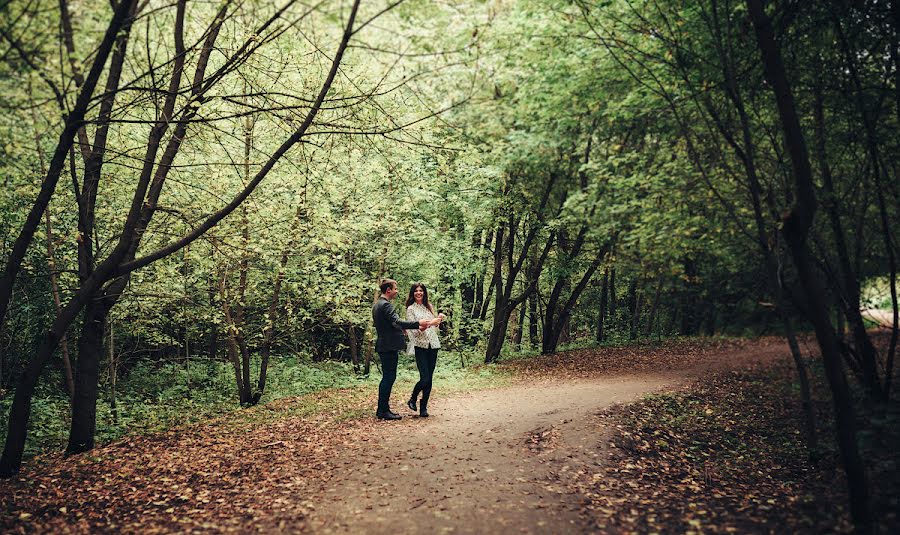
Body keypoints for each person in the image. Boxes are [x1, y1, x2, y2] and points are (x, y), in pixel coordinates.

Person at [372, 278, 437, 420]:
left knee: (388, 377)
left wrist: (399, 329)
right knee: (388, 378)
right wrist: (416, 324)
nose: (396, 291)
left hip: (385, 344)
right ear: (388, 290)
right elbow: (397, 321)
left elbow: (389, 324)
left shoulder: (378, 305)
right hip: (388, 346)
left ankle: (383, 409)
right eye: (395, 289)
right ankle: (383, 410)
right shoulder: (386, 305)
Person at [404, 282, 444, 417]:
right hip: (420, 346)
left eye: (421, 290)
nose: (419, 293)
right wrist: (432, 322)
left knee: (430, 379)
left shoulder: (429, 307)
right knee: (425, 378)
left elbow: (435, 327)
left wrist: (438, 319)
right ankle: (413, 398)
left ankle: (424, 407)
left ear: (424, 292)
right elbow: (415, 330)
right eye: (416, 291)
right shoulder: (410, 309)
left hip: (433, 345)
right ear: (412, 293)